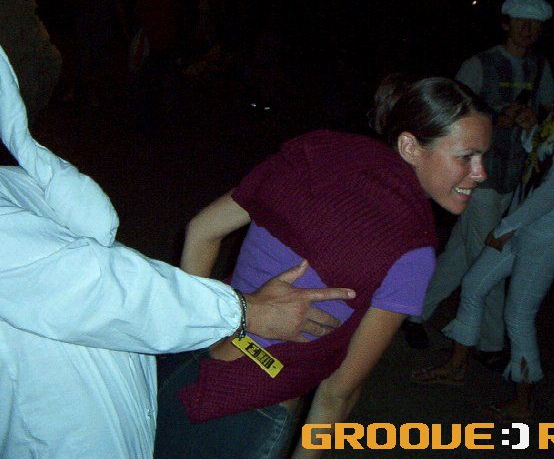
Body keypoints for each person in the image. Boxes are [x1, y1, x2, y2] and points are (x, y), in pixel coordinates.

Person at [0, 0, 355, 459]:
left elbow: (96, 226)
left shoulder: (7, 183)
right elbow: (88, 285)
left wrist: (24, 143)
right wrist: (243, 312)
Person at [154, 76, 492, 459]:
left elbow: (201, 231)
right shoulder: (411, 249)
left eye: (483, 157)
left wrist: (193, 331)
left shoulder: (312, 158)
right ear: (410, 146)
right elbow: (338, 394)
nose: (481, 172)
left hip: (178, 366)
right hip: (248, 410)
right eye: (466, 156)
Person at [411, 43, 554, 420]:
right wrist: (531, 131)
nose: (553, 64)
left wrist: (506, 226)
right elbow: (540, 159)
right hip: (526, 222)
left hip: (548, 233)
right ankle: (456, 366)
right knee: (474, 284)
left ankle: (524, 401)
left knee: (518, 314)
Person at [404, 0, 554, 361]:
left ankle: (412, 313)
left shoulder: (540, 68)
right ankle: (491, 344)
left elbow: (549, 115)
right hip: (477, 178)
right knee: (488, 260)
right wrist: (494, 119)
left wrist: (533, 120)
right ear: (506, 23)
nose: (528, 30)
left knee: (461, 254)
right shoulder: (479, 64)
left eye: (535, 25)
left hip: (514, 179)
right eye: (521, 22)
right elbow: (450, 115)